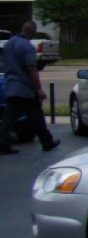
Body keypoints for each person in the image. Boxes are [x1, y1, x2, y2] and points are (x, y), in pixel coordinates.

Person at [0, 21, 60, 155]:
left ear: (22, 29)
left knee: (8, 119)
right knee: (37, 116)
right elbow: (32, 69)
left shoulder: (9, 44)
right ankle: (47, 142)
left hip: (10, 86)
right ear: (32, 33)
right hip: (24, 88)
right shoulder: (27, 47)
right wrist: (38, 89)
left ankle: (3, 144)